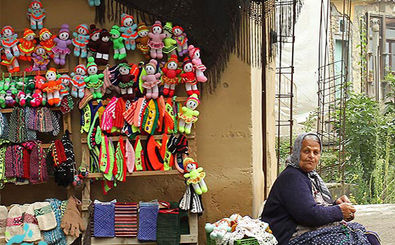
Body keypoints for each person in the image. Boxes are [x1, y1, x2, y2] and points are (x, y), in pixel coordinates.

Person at [261, 132, 380, 245]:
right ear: (297, 153)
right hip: (289, 237)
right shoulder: (292, 177)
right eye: (306, 151)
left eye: (316, 152)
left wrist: (335, 205)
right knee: (359, 241)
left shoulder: (308, 176)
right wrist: (339, 211)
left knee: (366, 235)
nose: (311, 156)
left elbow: (311, 206)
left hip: (304, 230)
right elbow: (309, 215)